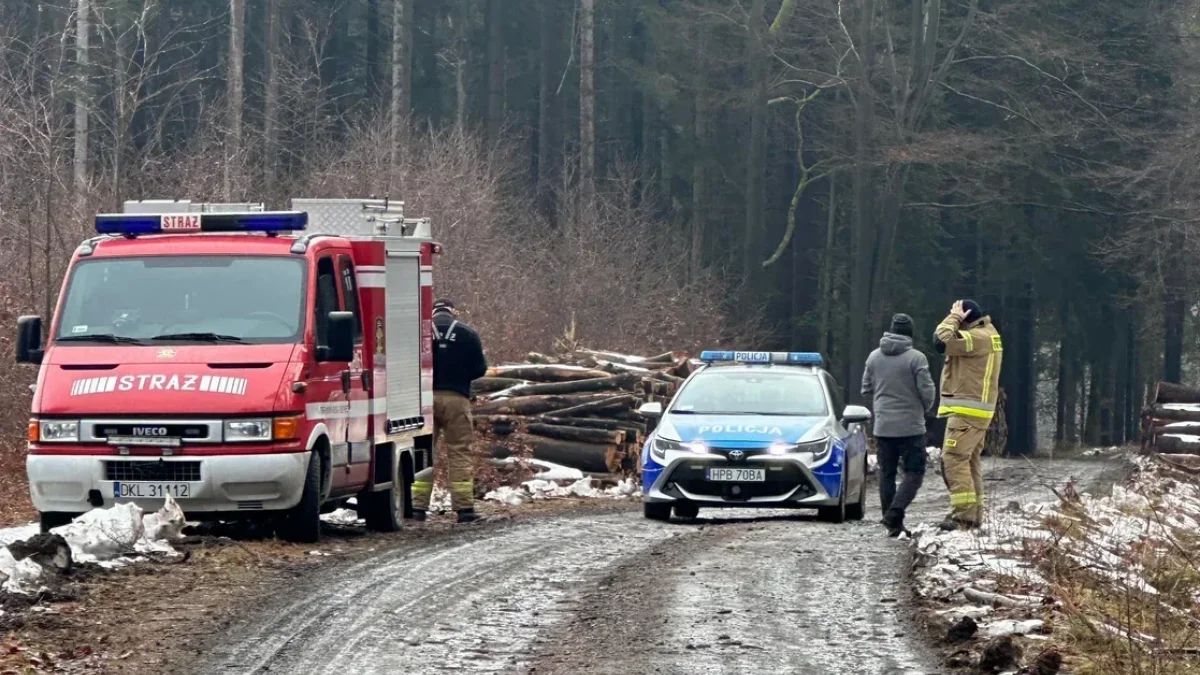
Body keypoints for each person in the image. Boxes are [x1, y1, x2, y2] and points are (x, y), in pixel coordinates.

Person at [411, 299, 489, 524]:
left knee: (424, 453)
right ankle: (464, 509)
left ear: (433, 312)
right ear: (453, 312)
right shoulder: (468, 334)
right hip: (457, 400)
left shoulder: (421, 333)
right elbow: (480, 369)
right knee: (460, 452)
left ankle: (417, 508)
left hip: (425, 401)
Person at [861, 313, 936, 537]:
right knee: (914, 472)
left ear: (890, 330)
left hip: (883, 426)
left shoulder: (874, 357)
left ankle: (892, 526)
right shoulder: (917, 358)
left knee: (887, 473)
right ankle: (894, 513)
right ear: (910, 333)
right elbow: (927, 390)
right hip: (911, 426)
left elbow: (866, 388)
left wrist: (880, 404)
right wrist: (925, 408)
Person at [933, 299, 1003, 531]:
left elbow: (940, 340)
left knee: (953, 459)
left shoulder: (976, 338)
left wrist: (953, 317)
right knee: (969, 461)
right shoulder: (988, 334)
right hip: (977, 411)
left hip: (967, 412)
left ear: (966, 318)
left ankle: (963, 516)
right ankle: (973, 515)